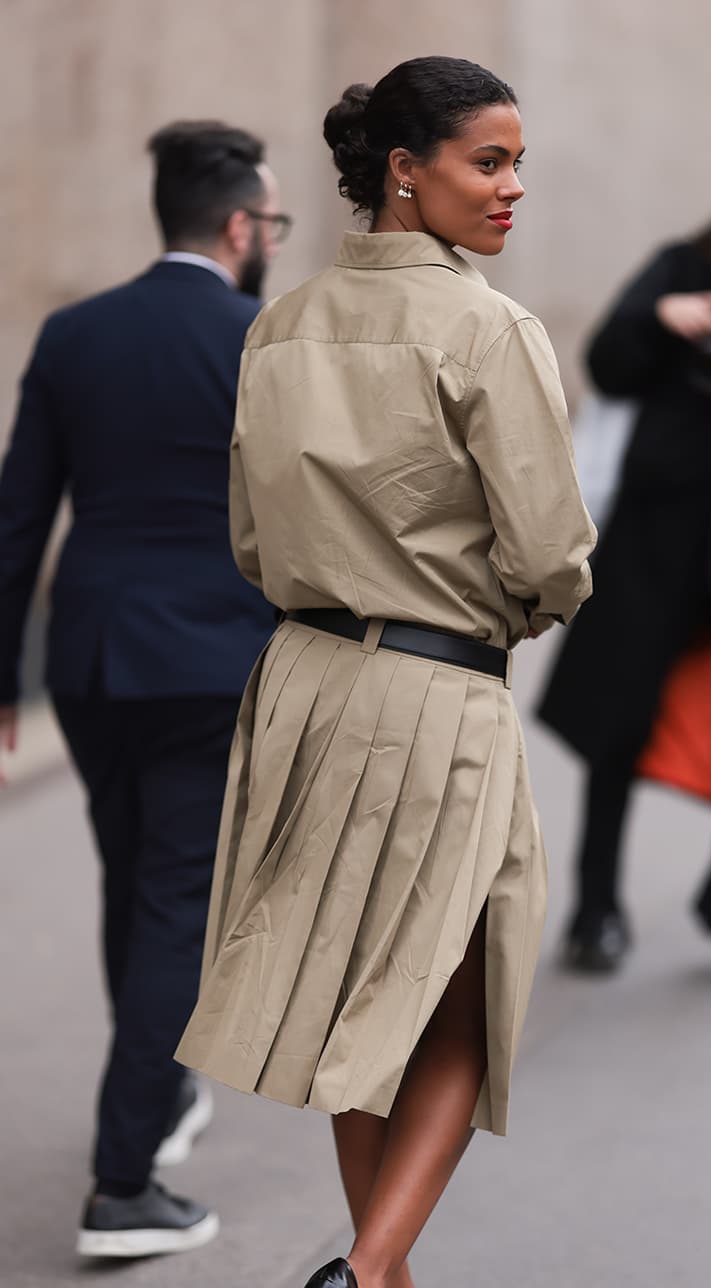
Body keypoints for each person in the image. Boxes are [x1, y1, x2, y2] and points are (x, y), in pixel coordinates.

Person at [175, 56, 595, 1288]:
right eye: (488, 160)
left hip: (301, 683)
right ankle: (363, 1275)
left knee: (354, 1009)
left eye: (518, 161)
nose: (513, 187)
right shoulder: (485, 327)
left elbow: (252, 540)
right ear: (403, 172)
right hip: (434, 693)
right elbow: (552, 553)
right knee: (455, 1011)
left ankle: (381, 1273)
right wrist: (511, 610)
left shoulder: (280, 322)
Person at [0, 120, 289, 1255]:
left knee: (139, 882)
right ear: (236, 225)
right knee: (179, 903)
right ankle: (123, 1184)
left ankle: (157, 1100)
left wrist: (1, 682)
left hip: (89, 656)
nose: (269, 240)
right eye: (269, 223)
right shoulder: (260, 336)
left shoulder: (74, 332)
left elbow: (19, 518)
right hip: (212, 662)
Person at [538, 150, 711, 974]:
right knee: (621, 720)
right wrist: (663, 318)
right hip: (662, 541)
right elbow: (608, 364)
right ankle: (595, 906)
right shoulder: (685, 267)